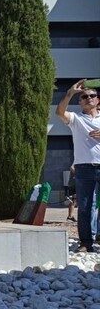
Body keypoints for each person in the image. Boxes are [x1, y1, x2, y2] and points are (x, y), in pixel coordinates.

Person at [56, 80, 100, 252]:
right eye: (84, 96)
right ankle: (86, 243)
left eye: (92, 96)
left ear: (98, 100)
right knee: (84, 206)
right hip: (84, 168)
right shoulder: (76, 119)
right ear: (80, 102)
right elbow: (59, 112)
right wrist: (69, 93)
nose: (88, 98)